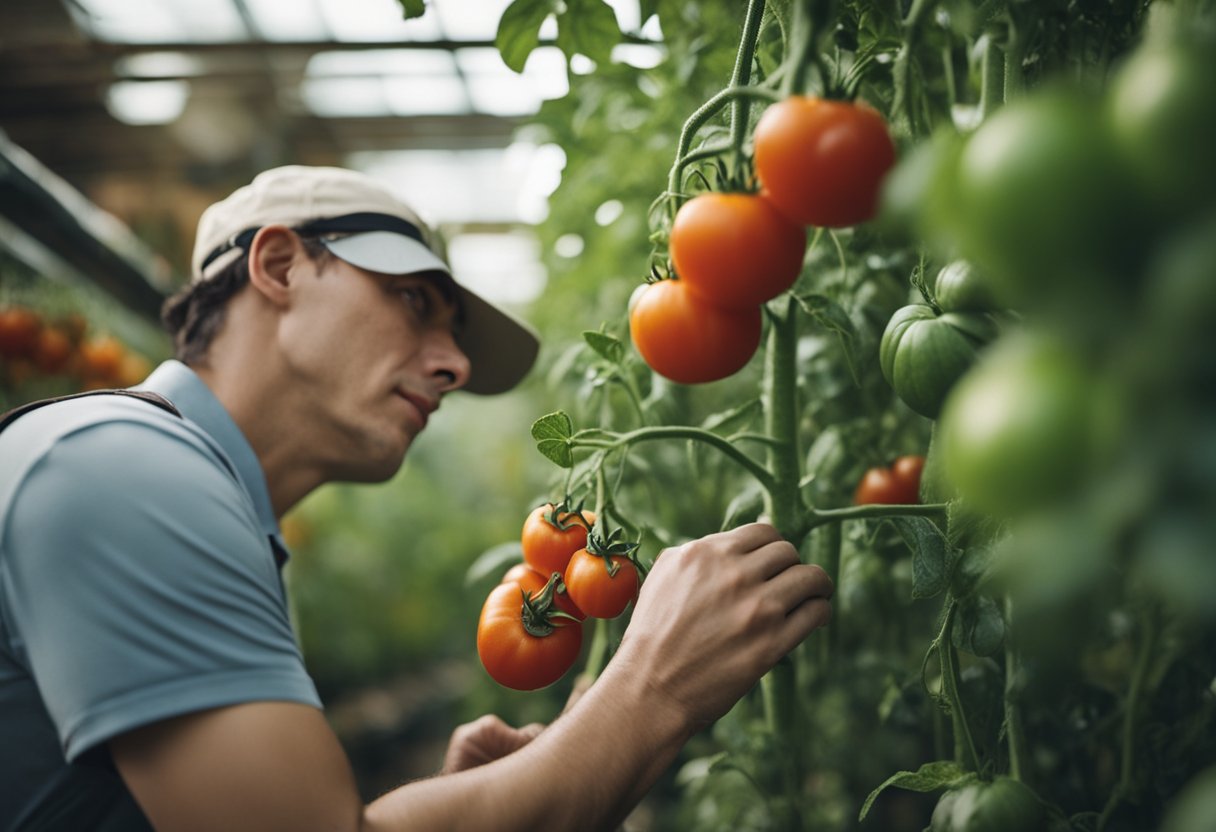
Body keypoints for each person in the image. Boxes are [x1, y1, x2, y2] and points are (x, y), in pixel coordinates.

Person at [0, 165, 834, 831]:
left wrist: (477, 804)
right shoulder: (120, 471)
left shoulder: (179, 487)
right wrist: (651, 688)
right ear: (280, 264)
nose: (456, 365)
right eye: (413, 302)